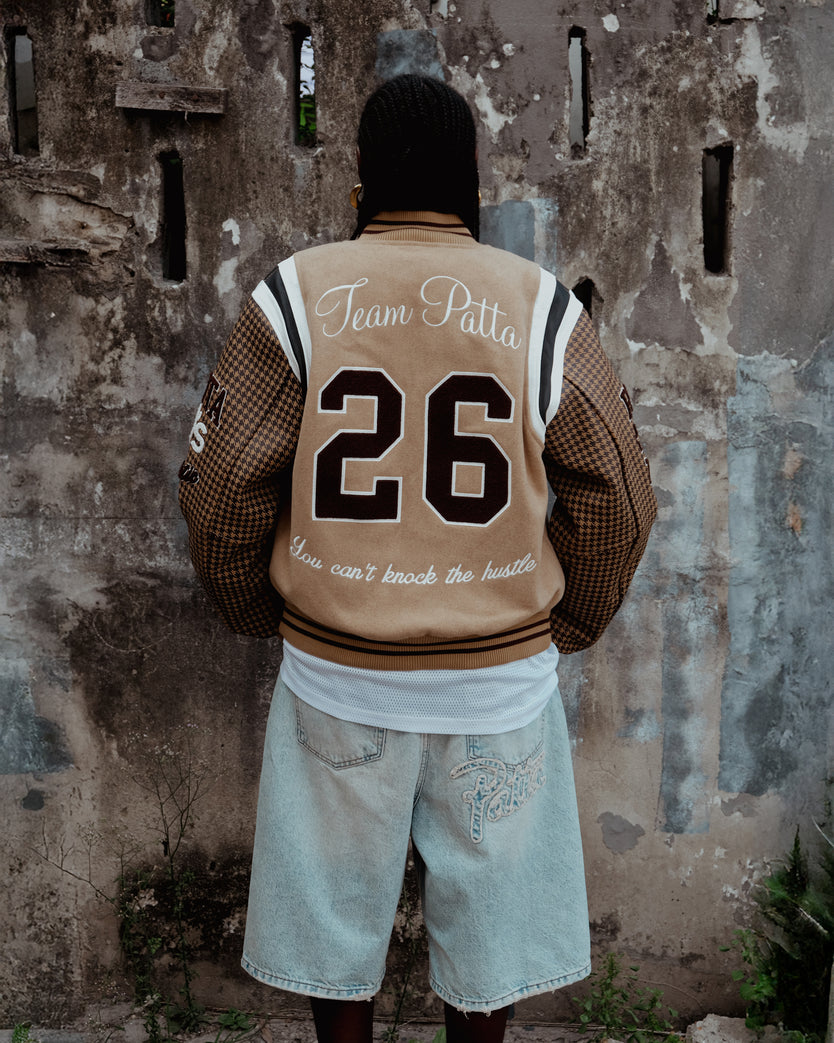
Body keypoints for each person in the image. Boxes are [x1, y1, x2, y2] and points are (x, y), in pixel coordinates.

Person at [179, 74, 657, 1043]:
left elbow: (221, 489)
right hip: (498, 687)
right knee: (490, 936)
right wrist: (568, 620)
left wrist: (258, 610)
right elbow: (619, 494)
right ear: (471, 179)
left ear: (360, 178)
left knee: (332, 923)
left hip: (337, 675)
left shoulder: (294, 296)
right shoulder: (543, 308)